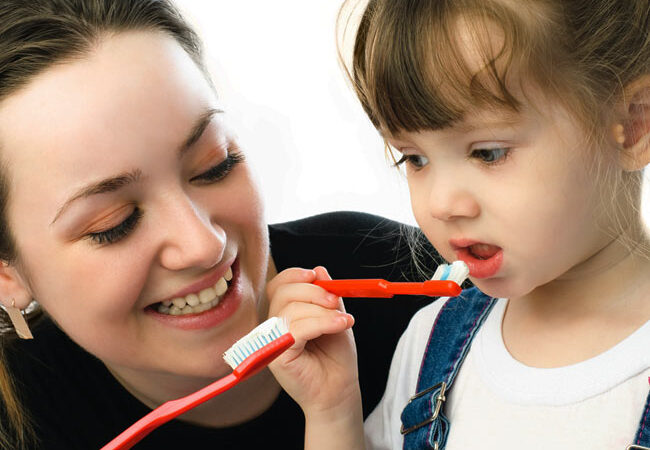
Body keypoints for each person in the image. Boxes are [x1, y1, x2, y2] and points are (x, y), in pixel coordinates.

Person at [0, 1, 443, 449]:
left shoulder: (410, 288)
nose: (203, 245)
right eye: (114, 223)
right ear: (5, 274)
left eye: (215, 165)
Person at [333, 0, 650, 448]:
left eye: (488, 152)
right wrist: (331, 412)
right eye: (415, 158)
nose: (441, 204)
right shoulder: (428, 343)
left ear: (634, 124)